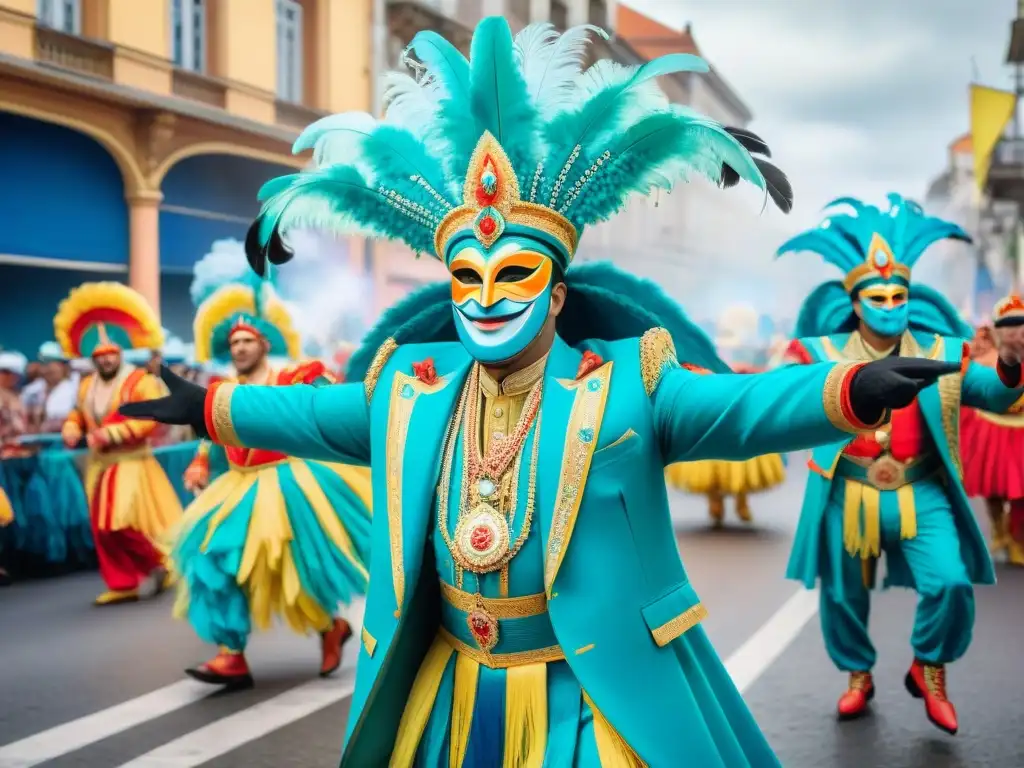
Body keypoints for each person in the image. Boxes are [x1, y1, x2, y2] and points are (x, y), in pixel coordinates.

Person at [124, 19, 961, 766]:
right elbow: (312, 414)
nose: (487, 294)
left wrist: (850, 387)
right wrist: (204, 406)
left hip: (588, 689)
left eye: (515, 273)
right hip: (449, 689)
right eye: (467, 276)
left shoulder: (623, 382)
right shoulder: (411, 389)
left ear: (556, 293)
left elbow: (739, 410)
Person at [778, 194, 1024, 735]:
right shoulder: (819, 353)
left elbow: (995, 393)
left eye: (899, 294)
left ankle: (928, 666)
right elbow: (772, 397)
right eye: (878, 295)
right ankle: (857, 675)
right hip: (848, 490)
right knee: (843, 592)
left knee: (951, 582)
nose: (890, 302)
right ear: (856, 302)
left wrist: (1008, 359)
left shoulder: (942, 348)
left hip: (921, 490)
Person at [171, 242, 372, 688]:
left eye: (247, 341)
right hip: (239, 485)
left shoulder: (290, 376)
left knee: (299, 572)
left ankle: (330, 627)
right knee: (209, 558)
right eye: (234, 343)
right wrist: (199, 465)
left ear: (264, 343)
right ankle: (230, 654)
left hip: (292, 484)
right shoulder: (220, 387)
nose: (239, 348)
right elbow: (210, 433)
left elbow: (322, 407)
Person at [55, 282, 183, 605]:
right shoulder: (86, 386)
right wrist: (72, 428)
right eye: (100, 356)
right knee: (102, 528)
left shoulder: (138, 381)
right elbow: (78, 414)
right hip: (101, 465)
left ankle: (157, 565)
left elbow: (150, 417)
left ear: (120, 355)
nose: (106, 360)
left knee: (119, 520)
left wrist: (110, 434)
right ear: (93, 359)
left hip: (132, 462)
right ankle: (124, 581)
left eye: (111, 354)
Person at [666, 363, 786, 525]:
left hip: (736, 412)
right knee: (712, 467)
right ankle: (717, 502)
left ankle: (739, 502)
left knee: (739, 465)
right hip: (711, 413)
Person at [961, 311, 1024, 566]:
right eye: (1007, 327)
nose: (1013, 332)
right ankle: (999, 530)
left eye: (1018, 327)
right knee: (994, 488)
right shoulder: (984, 359)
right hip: (992, 427)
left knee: (1021, 493)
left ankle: (1018, 537)